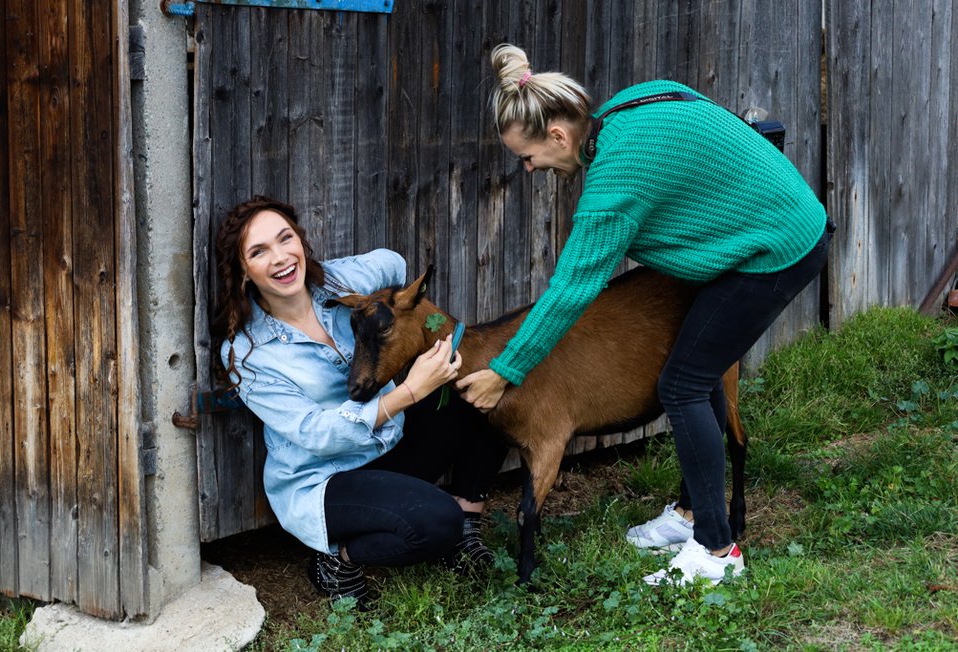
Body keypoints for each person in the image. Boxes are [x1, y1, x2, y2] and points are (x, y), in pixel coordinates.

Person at [456, 43, 832, 587]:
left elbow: (568, 293)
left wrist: (506, 371)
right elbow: (696, 114)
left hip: (778, 251)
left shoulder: (612, 187)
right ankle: (691, 516)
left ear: (559, 135)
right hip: (772, 223)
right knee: (692, 369)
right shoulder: (629, 106)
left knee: (681, 383)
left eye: (528, 156)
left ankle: (716, 550)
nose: (530, 168)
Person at [215, 196, 508, 608]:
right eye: (259, 252)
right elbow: (316, 435)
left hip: (386, 444)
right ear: (243, 271)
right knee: (434, 521)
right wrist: (410, 391)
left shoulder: (337, 284)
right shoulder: (248, 353)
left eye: (286, 239)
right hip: (324, 478)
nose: (281, 258)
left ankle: (467, 525)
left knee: (479, 390)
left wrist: (377, 297)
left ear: (300, 240)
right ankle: (337, 563)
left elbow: (393, 262)